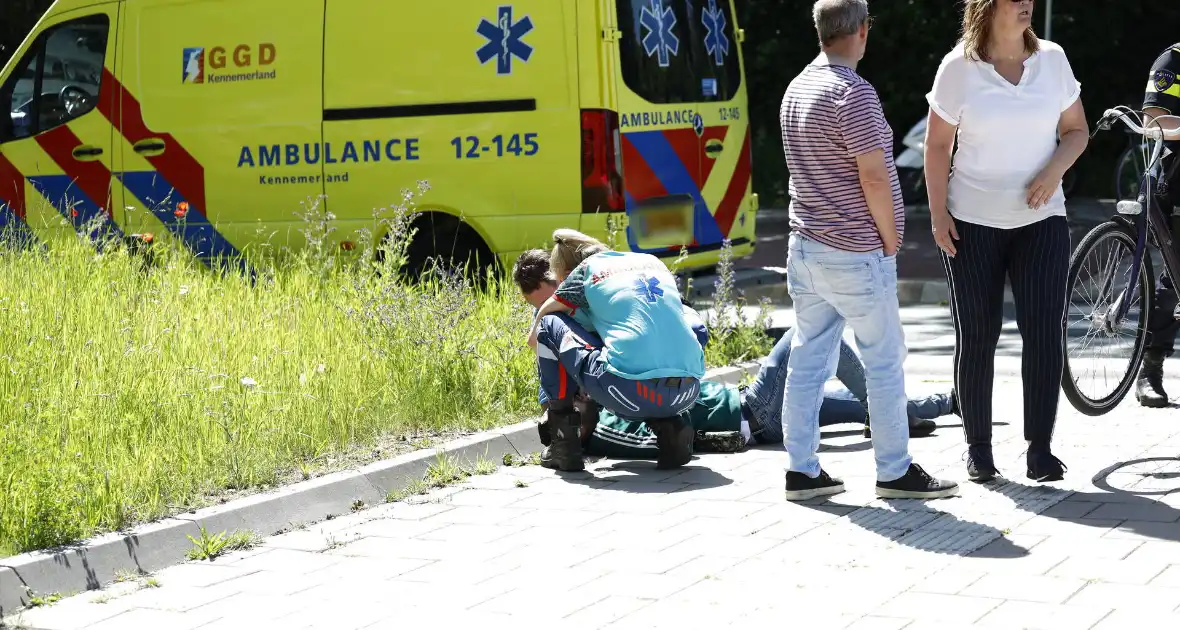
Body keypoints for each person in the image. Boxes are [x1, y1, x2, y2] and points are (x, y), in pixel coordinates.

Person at [512, 250, 958, 461]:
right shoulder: (611, 413)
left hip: (747, 407)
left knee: (844, 404)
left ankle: (941, 404)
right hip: (750, 412)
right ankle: (906, 416)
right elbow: (639, 437)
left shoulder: (606, 370)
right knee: (815, 337)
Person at [778, 0, 957, 501]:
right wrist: (890, 236)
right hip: (854, 251)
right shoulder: (852, 93)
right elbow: (874, 175)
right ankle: (894, 470)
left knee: (808, 359)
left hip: (805, 248)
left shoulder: (797, 88)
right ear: (861, 31)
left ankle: (801, 470)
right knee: (882, 360)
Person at [924, 0, 1088, 483]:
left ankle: (1040, 449)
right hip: (971, 223)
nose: (1026, 6)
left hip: (1042, 222)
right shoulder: (959, 68)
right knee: (978, 336)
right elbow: (936, 147)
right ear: (988, 7)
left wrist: (1054, 169)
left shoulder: (1052, 60)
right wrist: (937, 216)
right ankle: (978, 449)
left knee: (1043, 333)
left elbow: (1076, 131)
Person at [526, 229, 706, 472]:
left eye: (560, 281)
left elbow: (539, 329)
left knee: (549, 325)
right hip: (689, 390)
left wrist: (537, 334)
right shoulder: (651, 262)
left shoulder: (586, 272)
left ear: (567, 274)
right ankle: (672, 429)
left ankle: (563, 444)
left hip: (627, 393)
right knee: (674, 323)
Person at [1135, 43, 1180, 408]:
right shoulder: (1173, 61)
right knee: (1172, 285)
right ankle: (1150, 367)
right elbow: (1155, 123)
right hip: (1177, 185)